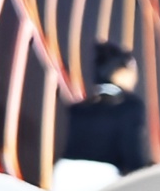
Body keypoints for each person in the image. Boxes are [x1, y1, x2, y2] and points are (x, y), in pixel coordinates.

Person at [60, 41, 150, 174]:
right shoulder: (130, 106)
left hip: (64, 173)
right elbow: (132, 155)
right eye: (132, 71)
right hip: (102, 176)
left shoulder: (78, 109)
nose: (135, 77)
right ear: (120, 72)